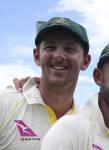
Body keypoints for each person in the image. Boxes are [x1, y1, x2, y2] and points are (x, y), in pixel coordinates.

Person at [0, 17, 91, 150]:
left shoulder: (90, 126)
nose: (59, 55)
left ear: (86, 61)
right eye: (50, 47)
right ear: (37, 56)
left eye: (69, 49)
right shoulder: (5, 104)